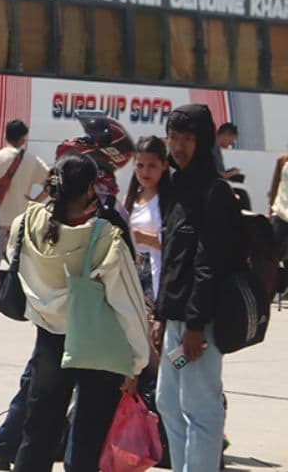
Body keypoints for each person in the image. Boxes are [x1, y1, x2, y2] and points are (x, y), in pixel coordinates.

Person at [10, 153, 149, 472]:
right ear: (90, 189)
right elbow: (127, 302)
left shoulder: (26, 224)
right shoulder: (105, 234)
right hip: (99, 345)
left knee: (38, 434)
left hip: (49, 340)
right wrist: (137, 360)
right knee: (87, 441)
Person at [156, 104, 240, 471]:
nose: (178, 146)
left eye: (188, 139)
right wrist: (162, 316)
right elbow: (174, 258)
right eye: (173, 138)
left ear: (203, 141)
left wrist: (194, 325)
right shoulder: (176, 185)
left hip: (198, 328)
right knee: (168, 403)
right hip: (175, 322)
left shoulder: (214, 192)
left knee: (201, 408)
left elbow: (209, 264)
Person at [0, 119, 49, 308]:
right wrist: (37, 201)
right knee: (20, 258)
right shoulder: (31, 160)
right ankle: (19, 294)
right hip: (21, 218)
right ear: (23, 138)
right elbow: (50, 181)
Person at [124, 137, 171, 302]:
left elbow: (177, 245)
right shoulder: (129, 200)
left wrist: (145, 239)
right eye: (140, 165)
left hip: (158, 278)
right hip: (130, 276)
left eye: (152, 166)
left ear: (164, 165)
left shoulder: (170, 202)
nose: (145, 172)